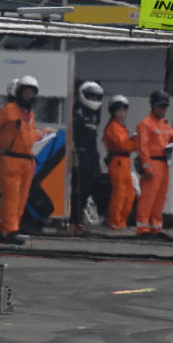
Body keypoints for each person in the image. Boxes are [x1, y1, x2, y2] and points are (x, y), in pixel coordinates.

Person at [0, 75, 54, 244]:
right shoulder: (9, 110)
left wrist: (44, 133)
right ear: (19, 92)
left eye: (31, 93)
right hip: (10, 160)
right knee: (11, 197)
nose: (28, 96)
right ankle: (10, 231)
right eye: (26, 92)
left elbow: (30, 135)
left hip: (26, 161)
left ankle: (4, 228)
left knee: (21, 198)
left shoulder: (29, 115)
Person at [135, 90, 173, 237]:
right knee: (148, 198)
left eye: (164, 107)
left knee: (160, 198)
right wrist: (147, 167)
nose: (162, 109)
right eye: (159, 106)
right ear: (152, 105)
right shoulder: (145, 124)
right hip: (152, 163)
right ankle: (143, 228)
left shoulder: (163, 124)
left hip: (163, 165)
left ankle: (156, 227)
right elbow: (143, 148)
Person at [69, 81, 105, 236]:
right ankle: (74, 221)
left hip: (91, 154)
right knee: (77, 189)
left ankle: (79, 220)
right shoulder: (77, 111)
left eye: (96, 97)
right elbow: (72, 136)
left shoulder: (96, 114)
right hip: (79, 154)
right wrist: (74, 153)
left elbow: (93, 139)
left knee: (87, 188)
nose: (94, 100)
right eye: (91, 96)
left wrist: (96, 162)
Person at [102, 95, 137, 230]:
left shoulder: (121, 127)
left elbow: (127, 145)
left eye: (123, 111)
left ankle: (121, 222)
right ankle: (115, 221)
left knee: (129, 194)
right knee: (120, 193)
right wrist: (136, 142)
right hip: (118, 162)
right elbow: (123, 145)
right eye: (119, 111)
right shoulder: (113, 127)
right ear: (113, 112)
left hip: (124, 162)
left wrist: (134, 142)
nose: (122, 113)